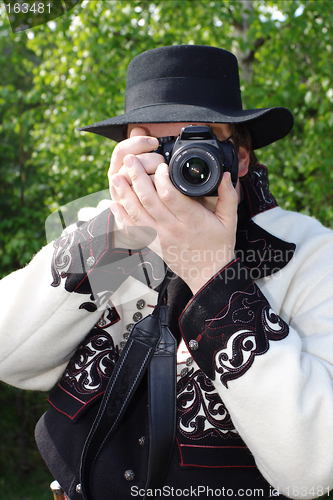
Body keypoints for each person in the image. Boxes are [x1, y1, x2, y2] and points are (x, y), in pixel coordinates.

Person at [0, 45, 332, 500]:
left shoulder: (308, 252)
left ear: (239, 157)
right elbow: (9, 354)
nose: (178, 164)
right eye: (154, 146)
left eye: (198, 142)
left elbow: (312, 469)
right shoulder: (106, 228)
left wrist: (214, 272)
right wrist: (119, 233)